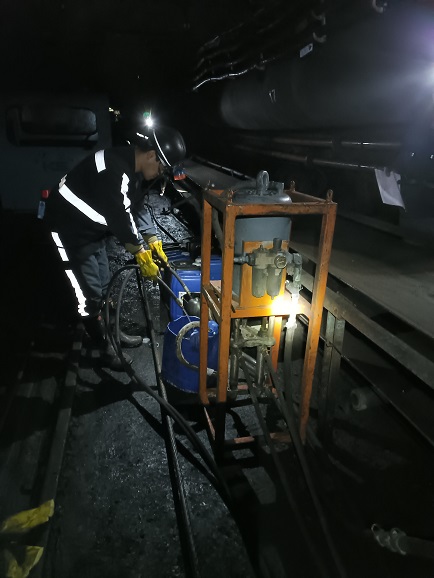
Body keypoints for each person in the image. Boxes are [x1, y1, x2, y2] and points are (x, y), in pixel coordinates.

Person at [44, 125, 186, 370]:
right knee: (88, 295)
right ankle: (105, 349)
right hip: (70, 232)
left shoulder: (133, 168)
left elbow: (136, 205)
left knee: (104, 284)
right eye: (162, 168)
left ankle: (113, 333)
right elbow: (120, 217)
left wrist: (152, 238)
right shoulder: (113, 170)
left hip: (91, 231)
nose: (159, 174)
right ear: (151, 155)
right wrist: (141, 253)